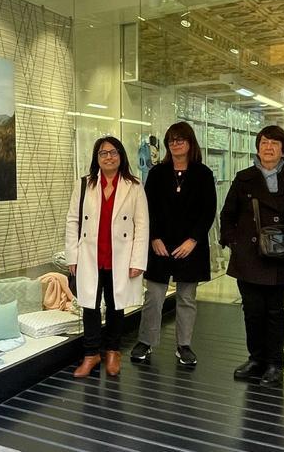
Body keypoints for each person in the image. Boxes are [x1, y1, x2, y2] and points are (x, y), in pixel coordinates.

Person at [219, 125, 284, 387]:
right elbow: (228, 214)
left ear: (283, 150)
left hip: (280, 256)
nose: (268, 148)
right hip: (249, 254)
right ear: (257, 147)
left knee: (274, 310)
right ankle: (255, 359)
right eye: (263, 143)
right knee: (252, 310)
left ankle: (275, 363)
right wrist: (233, 240)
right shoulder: (244, 177)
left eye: (274, 143)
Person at [130, 122, 216, 367]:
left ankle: (184, 345)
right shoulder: (157, 173)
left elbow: (208, 211)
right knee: (154, 296)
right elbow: (147, 209)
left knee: (187, 298)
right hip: (160, 245)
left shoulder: (203, 174)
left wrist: (194, 240)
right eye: (171, 140)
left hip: (190, 246)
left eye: (180, 139)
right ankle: (145, 342)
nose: (176, 144)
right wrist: (154, 237)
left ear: (190, 143)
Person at [66, 136, 148, 378]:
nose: (109, 157)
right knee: (89, 306)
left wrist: (137, 261)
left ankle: (113, 351)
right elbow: (72, 220)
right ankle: (91, 355)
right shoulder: (84, 184)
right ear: (97, 158)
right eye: (103, 153)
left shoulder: (133, 186)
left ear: (121, 156)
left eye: (113, 152)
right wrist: (73, 255)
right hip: (90, 255)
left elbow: (142, 226)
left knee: (115, 305)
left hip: (120, 257)